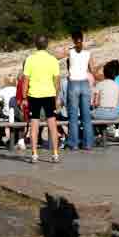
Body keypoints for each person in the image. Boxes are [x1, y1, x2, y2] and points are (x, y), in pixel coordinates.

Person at [21, 34, 61, 164]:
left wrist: (24, 97)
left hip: (34, 95)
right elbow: (57, 81)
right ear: (47, 44)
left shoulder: (30, 59)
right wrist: (56, 96)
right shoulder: (53, 60)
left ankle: (34, 154)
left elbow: (25, 80)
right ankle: (55, 153)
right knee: (52, 124)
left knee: (34, 124)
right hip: (49, 94)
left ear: (35, 44)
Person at [62, 30, 94, 153]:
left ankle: (73, 143)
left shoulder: (70, 52)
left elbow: (64, 59)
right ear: (82, 39)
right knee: (86, 116)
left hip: (73, 83)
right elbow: (92, 69)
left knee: (73, 116)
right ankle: (88, 144)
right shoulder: (88, 53)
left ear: (73, 40)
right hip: (84, 83)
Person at [92, 60, 119, 141]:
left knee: (89, 115)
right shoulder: (117, 86)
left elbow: (95, 103)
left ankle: (96, 135)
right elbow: (117, 103)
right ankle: (103, 135)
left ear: (104, 73)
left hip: (101, 113)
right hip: (114, 114)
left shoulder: (100, 84)